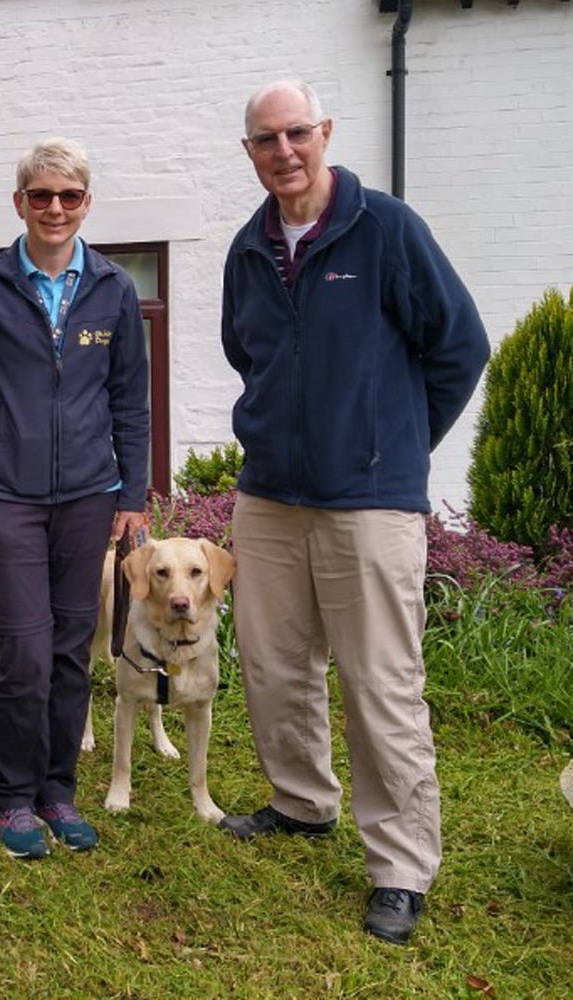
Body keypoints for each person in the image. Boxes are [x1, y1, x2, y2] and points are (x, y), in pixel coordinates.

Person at [219, 80, 491, 944]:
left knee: (382, 687)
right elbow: (246, 352)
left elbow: (459, 346)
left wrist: (392, 444)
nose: (284, 151)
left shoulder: (386, 230)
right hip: (269, 498)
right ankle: (301, 803)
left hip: (368, 503)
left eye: (297, 132)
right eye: (266, 139)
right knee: (274, 667)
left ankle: (402, 865)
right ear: (251, 152)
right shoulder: (247, 247)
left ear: (324, 132)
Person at [0, 137, 150, 860]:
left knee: (69, 652)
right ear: (19, 202)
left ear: (87, 203)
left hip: (90, 496)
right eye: (41, 195)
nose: (55, 208)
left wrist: (133, 494)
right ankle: (13, 798)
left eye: (70, 196)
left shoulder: (113, 289)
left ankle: (59, 791)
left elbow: (131, 400)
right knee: (24, 650)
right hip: (3, 498)